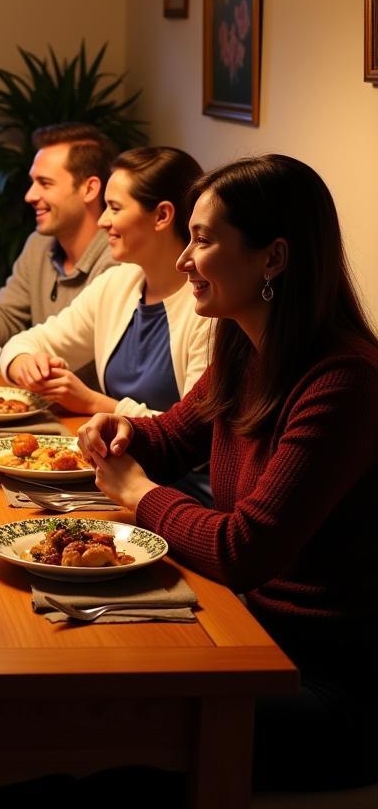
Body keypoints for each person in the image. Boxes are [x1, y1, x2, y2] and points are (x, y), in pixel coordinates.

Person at [77, 154, 377, 793]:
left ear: (273, 259)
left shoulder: (344, 382)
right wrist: (124, 433)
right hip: (246, 629)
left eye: (203, 240)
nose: (183, 260)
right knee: (74, 686)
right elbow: (170, 437)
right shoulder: (245, 346)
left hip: (327, 679)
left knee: (95, 730)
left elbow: (244, 549)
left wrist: (139, 493)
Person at [0, 146, 211, 419]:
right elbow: (26, 342)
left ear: (162, 216)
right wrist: (26, 364)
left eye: (115, 208)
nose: (102, 221)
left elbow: (195, 432)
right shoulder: (116, 284)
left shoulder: (209, 306)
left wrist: (93, 403)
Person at [0, 124, 119, 380]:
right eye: (33, 182)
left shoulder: (118, 261)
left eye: (45, 183)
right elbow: (9, 315)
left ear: (89, 188)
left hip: (87, 410)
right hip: (39, 393)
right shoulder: (38, 245)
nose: (30, 195)